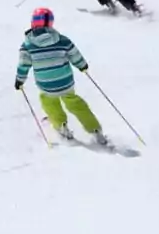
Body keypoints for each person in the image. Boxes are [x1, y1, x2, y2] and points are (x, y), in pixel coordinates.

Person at [15, 7, 107, 145]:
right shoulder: (62, 40)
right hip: (65, 82)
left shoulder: (27, 45)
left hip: (46, 84)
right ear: (51, 23)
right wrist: (82, 65)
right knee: (75, 103)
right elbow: (74, 54)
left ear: (33, 23)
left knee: (50, 103)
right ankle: (94, 129)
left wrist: (19, 80)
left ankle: (61, 126)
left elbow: (23, 65)